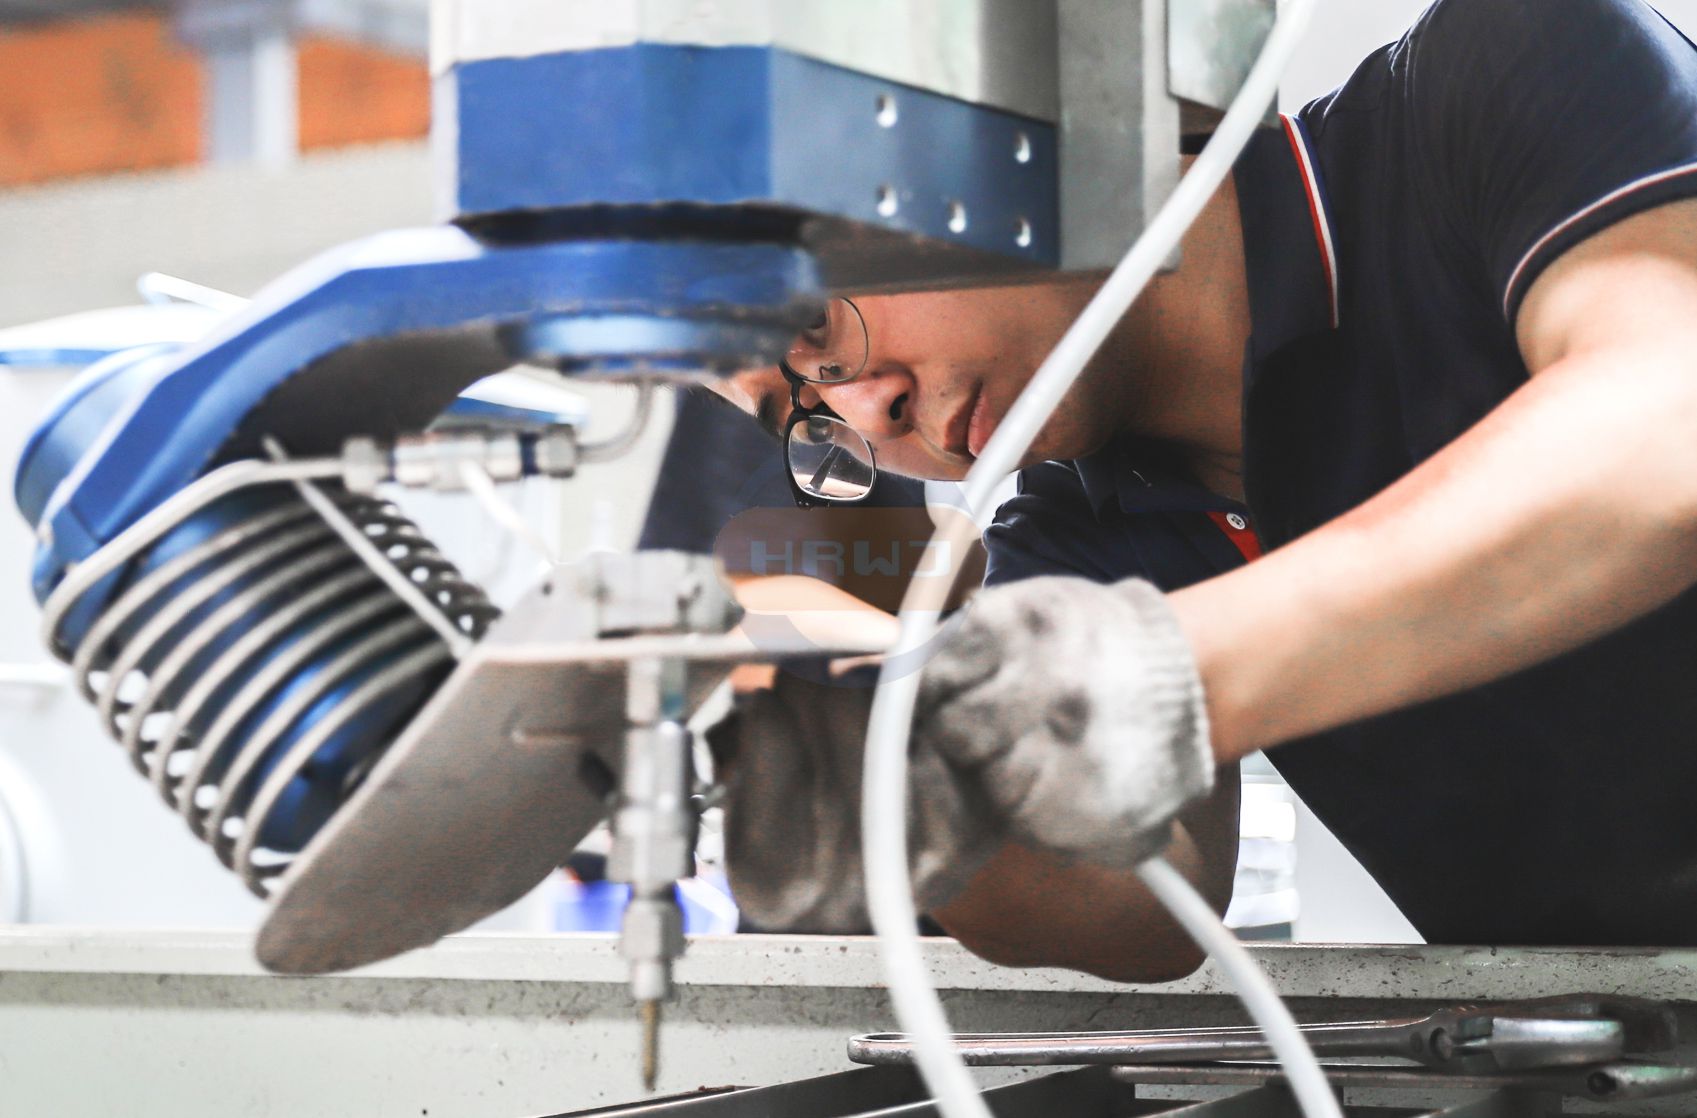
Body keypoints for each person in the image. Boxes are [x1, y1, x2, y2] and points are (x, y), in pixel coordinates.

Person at [705, 0, 1697, 981]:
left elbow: (1663, 427)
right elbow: (1155, 911)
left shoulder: (1500, 70)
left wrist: (1162, 672)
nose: (869, 413)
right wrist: (927, 805)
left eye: (815, 328)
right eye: (801, 413)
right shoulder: (1073, 543)